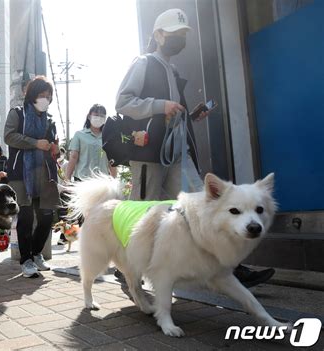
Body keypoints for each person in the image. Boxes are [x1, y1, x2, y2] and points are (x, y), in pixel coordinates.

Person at [115, 9, 274, 288]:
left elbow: (174, 112)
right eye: (175, 34)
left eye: (183, 35)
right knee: (142, 212)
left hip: (178, 152)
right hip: (150, 153)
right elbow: (123, 101)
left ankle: (230, 268)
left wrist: (191, 114)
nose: (179, 39)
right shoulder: (143, 63)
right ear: (159, 35)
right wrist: (159, 105)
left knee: (202, 208)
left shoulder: (173, 69)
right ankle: (128, 268)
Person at [4, 76, 60, 278]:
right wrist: (35, 143)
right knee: (26, 217)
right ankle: (26, 259)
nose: (45, 99)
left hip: (45, 173)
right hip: (21, 173)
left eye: (48, 96)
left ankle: (36, 253)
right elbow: (9, 137)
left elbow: (52, 145)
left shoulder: (50, 120)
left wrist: (55, 149)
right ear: (32, 95)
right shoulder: (18, 113)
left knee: (46, 217)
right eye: (41, 95)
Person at [65, 104, 117, 181]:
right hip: (82, 179)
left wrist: (114, 180)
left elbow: (111, 161)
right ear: (89, 116)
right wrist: (67, 178)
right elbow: (73, 157)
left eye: (102, 116)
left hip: (102, 181)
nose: (99, 118)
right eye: (96, 115)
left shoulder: (108, 138)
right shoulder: (79, 135)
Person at [56, 147, 70, 245]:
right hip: (55, 191)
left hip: (64, 191)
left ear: (64, 154)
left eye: (61, 153)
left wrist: (62, 188)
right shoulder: (54, 164)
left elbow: (68, 179)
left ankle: (64, 237)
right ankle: (64, 236)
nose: (59, 155)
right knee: (58, 215)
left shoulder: (66, 164)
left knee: (63, 214)